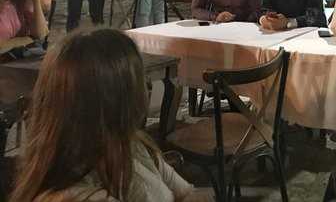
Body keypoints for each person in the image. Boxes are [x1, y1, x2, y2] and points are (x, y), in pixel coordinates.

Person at [9, 28, 212, 202]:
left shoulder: (130, 144)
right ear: (117, 98)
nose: (147, 85)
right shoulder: (76, 194)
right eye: (140, 78)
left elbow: (188, 193)